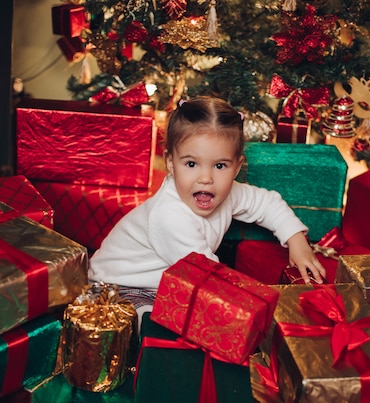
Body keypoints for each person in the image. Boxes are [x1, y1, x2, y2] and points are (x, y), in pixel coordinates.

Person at [88, 96, 325, 317]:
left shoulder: (228, 191)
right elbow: (208, 275)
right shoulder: (169, 215)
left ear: (237, 166)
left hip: (166, 283)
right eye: (191, 163)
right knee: (157, 326)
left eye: (220, 166)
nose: (206, 178)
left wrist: (296, 240)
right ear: (171, 162)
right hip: (118, 287)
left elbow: (267, 203)